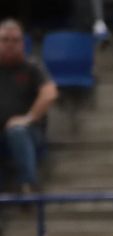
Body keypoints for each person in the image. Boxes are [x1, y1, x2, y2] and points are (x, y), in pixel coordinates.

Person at [0, 19, 58, 193]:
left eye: (16, 40)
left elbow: (50, 93)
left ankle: (28, 186)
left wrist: (28, 118)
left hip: (29, 132)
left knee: (16, 131)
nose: (11, 45)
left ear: (23, 43)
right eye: (5, 40)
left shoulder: (32, 67)